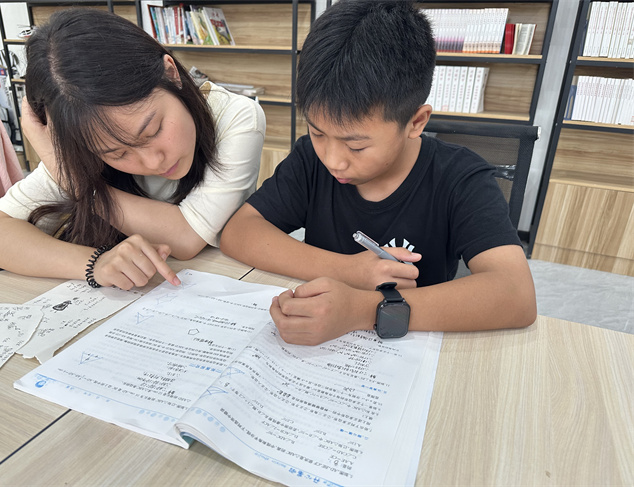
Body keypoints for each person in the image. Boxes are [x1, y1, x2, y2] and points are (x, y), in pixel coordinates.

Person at [221, 0, 536, 345]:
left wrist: (365, 310)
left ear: (416, 122)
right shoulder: (310, 159)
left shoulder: (460, 177)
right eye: (317, 132)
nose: (333, 160)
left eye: (356, 146)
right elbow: (239, 232)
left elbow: (515, 294)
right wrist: (350, 270)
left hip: (414, 346)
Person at [0, 9, 265, 290]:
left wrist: (71, 178)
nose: (153, 161)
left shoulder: (234, 116)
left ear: (171, 73)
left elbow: (187, 237)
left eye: (153, 130)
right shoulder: (87, 140)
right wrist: (95, 264)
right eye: (117, 154)